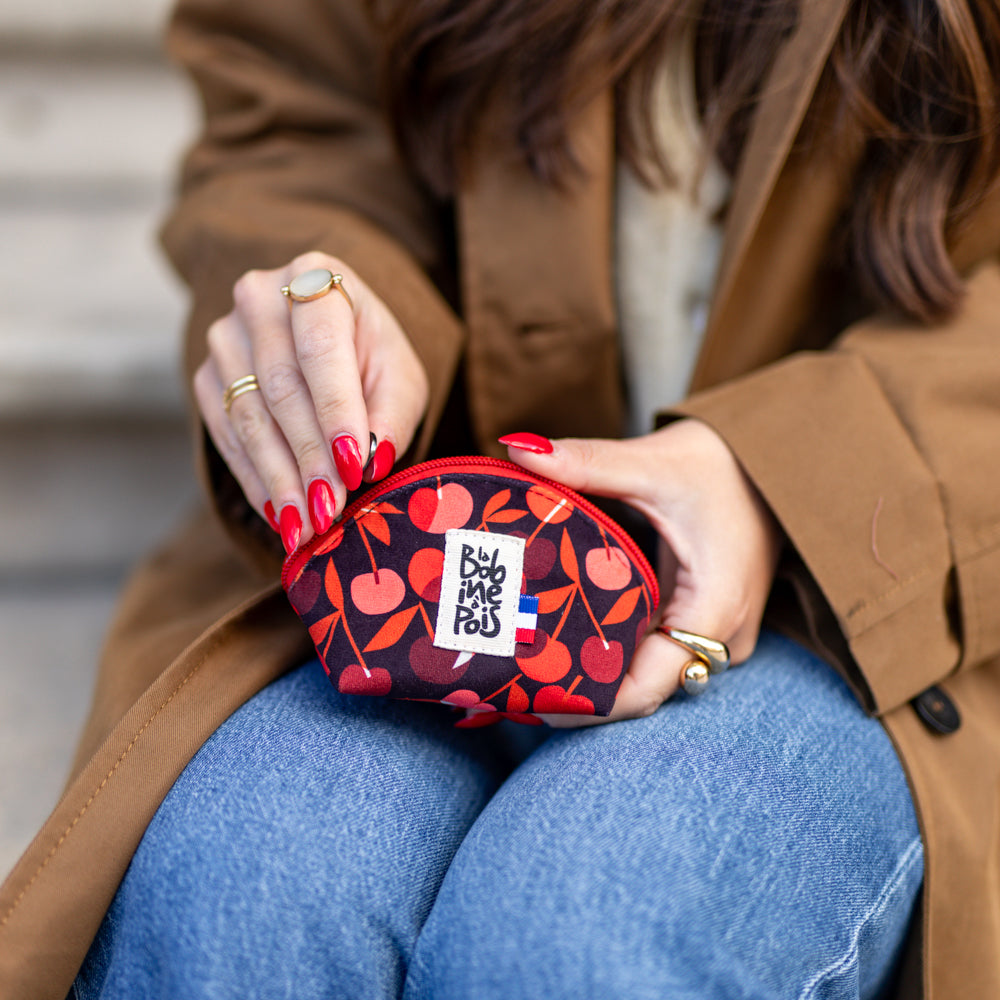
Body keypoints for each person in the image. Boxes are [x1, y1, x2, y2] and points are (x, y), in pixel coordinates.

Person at [2, 0, 1000, 996]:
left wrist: (788, 470)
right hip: (400, 534)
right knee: (243, 896)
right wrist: (327, 310)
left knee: (579, 943)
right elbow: (291, 116)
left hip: (872, 584)